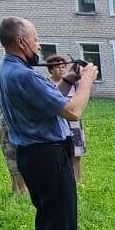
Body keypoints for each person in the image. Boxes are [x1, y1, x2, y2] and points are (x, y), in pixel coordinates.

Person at [0, 17, 98, 230]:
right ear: (21, 41)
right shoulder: (23, 75)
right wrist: (86, 81)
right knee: (62, 217)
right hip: (47, 155)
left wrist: (69, 80)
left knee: (47, 213)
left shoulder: (4, 71)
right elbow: (72, 111)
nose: (38, 45)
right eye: (36, 39)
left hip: (31, 155)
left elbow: (50, 101)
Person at [44, 54, 86, 184]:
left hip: (74, 122)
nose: (61, 69)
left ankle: (77, 181)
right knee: (63, 153)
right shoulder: (47, 83)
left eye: (63, 67)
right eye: (57, 67)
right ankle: (64, 180)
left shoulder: (73, 83)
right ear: (50, 69)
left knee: (77, 152)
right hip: (58, 123)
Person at [0, 109, 27, 195]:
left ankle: (17, 187)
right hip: (13, 115)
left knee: (10, 153)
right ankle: (22, 189)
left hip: (5, 115)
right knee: (13, 153)